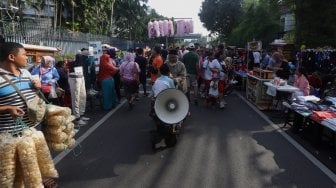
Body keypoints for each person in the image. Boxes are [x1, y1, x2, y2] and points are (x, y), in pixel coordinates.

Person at [0, 42, 58, 188]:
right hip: (7, 136)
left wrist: (38, 89)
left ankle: (41, 180)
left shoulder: (26, 74)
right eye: (25, 55)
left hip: (30, 131)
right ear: (11, 57)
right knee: (14, 177)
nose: (28, 58)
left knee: (34, 165)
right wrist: (7, 108)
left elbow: (32, 97)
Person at [68, 52, 90, 125]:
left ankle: (81, 114)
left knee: (82, 97)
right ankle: (77, 118)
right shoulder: (73, 64)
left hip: (80, 78)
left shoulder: (82, 63)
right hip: (75, 79)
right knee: (76, 99)